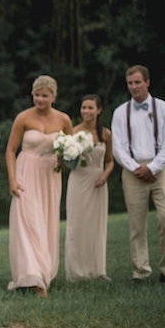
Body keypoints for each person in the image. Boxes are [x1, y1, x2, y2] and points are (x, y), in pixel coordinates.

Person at [6, 75, 73, 297]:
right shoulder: (23, 118)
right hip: (26, 172)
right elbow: (10, 151)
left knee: (45, 222)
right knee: (28, 222)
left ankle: (43, 270)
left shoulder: (64, 120)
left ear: (53, 96)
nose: (40, 99)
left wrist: (66, 159)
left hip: (50, 176)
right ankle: (32, 278)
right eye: (36, 95)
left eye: (45, 95)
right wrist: (13, 179)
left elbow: (70, 149)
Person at [111, 65, 165, 287]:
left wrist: (153, 167)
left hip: (161, 168)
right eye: (130, 83)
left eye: (138, 82)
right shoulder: (121, 112)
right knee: (137, 223)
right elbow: (118, 147)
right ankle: (140, 272)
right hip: (132, 171)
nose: (134, 87)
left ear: (147, 82)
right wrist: (135, 168)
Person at [65, 94, 114, 282]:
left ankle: (97, 270)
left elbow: (110, 161)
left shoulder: (106, 134)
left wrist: (105, 175)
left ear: (99, 110)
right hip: (78, 180)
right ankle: (76, 272)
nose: (86, 111)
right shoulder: (73, 132)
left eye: (90, 108)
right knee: (76, 225)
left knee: (96, 226)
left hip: (98, 181)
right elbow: (66, 159)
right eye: (83, 107)